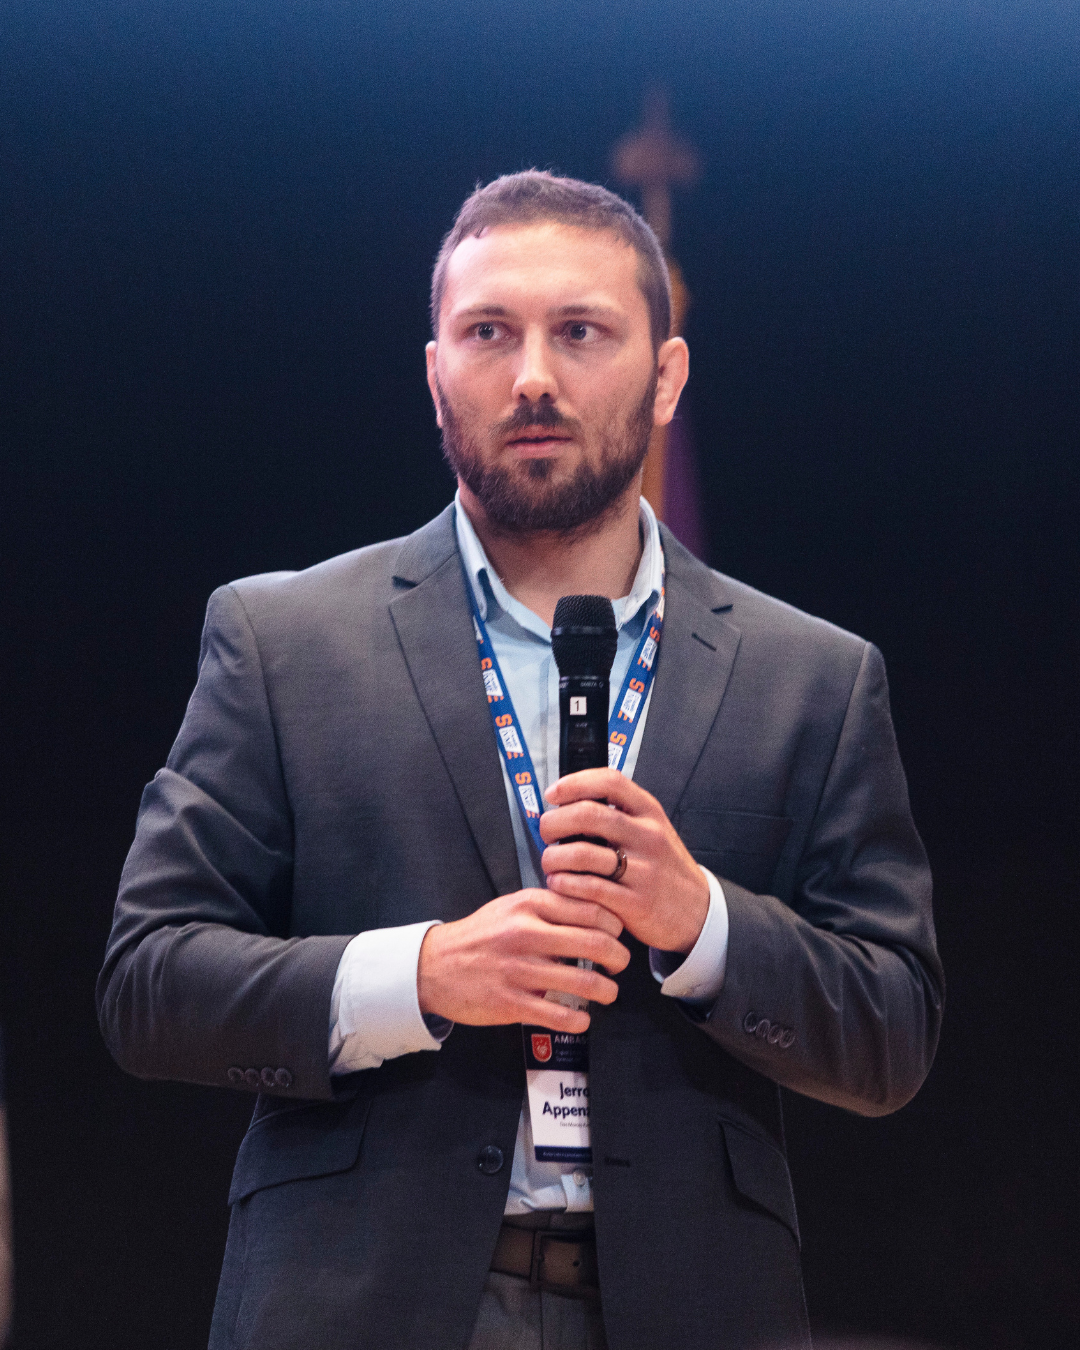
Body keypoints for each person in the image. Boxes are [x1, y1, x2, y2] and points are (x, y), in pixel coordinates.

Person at [98, 171, 944, 1350]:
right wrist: (423, 974)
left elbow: (893, 1032)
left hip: (695, 1308)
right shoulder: (283, 640)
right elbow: (150, 985)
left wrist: (701, 923)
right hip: (358, 1307)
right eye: (489, 332)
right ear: (435, 372)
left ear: (667, 376)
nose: (533, 375)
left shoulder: (814, 676)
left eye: (581, 331)